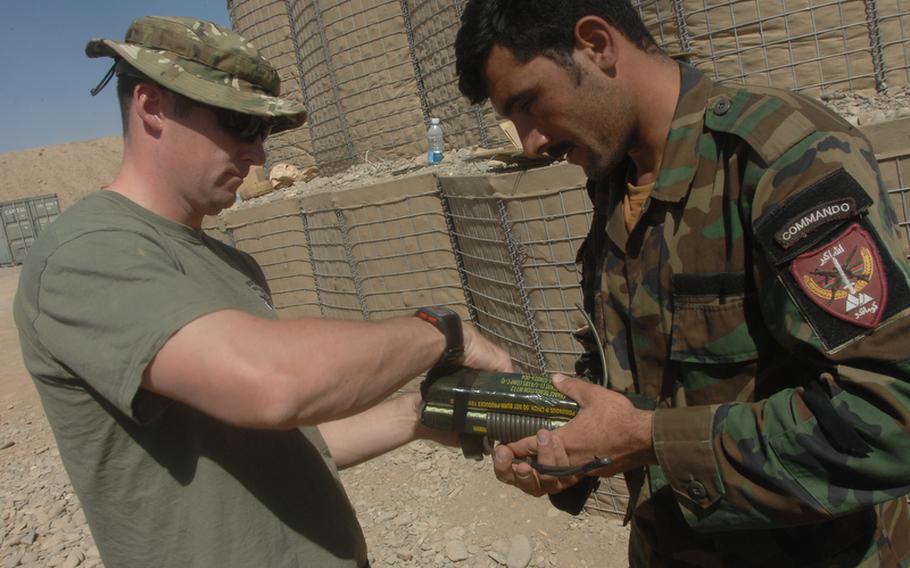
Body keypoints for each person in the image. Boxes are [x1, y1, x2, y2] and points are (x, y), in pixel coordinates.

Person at [13, 15, 512, 568]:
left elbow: (290, 438)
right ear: (151, 106)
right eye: (239, 126)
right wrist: (443, 333)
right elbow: (273, 384)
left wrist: (415, 415)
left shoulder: (227, 262)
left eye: (264, 132)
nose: (258, 155)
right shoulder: (84, 253)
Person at [455, 1, 910, 566]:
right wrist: (566, 446)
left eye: (528, 104)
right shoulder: (616, 182)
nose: (529, 142)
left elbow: (893, 414)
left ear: (596, 44)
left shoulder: (781, 161)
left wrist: (646, 438)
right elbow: (633, 379)